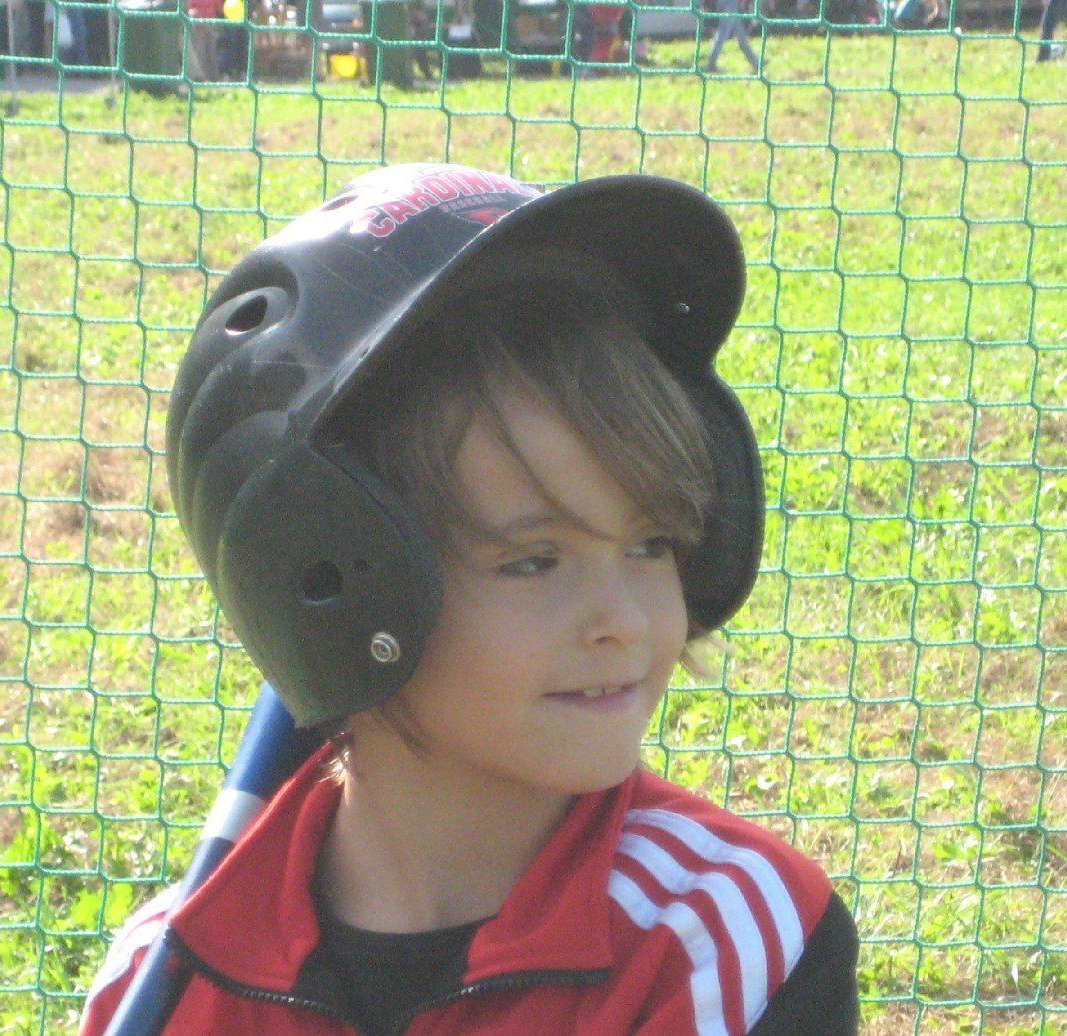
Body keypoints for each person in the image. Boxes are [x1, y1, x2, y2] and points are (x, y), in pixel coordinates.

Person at [79, 163, 860, 1035]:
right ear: (327, 584)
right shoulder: (164, 981)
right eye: (535, 561)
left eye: (652, 546)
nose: (627, 620)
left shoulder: (729, 943)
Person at [704, 0, 761, 74]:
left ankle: (755, 63)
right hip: (730, 3)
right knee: (722, 34)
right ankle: (711, 65)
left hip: (730, 4)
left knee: (741, 36)